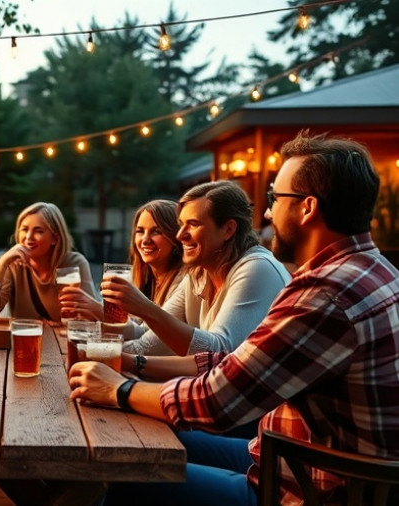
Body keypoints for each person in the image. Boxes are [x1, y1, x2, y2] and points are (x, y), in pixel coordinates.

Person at [69, 131, 399, 506]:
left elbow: (216, 401)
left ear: (307, 208)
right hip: (285, 453)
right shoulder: (374, 270)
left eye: (275, 198)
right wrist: (129, 363)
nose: (268, 212)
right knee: (151, 432)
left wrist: (119, 389)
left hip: (309, 486)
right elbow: (236, 362)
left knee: (129, 470)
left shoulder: (324, 294)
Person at [102, 181, 291, 356]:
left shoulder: (257, 268)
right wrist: (90, 343)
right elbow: (147, 337)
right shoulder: (198, 273)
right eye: (180, 225)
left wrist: (144, 308)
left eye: (193, 224)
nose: (180, 235)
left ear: (228, 230)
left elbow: (218, 352)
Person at [60, 200, 186, 321]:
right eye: (140, 231)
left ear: (176, 236)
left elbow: (151, 337)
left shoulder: (183, 282)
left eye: (156, 231)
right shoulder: (135, 278)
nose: (145, 240)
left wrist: (98, 310)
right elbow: (132, 326)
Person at [0, 202, 95, 320]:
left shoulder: (73, 263)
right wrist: (1, 266)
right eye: (24, 230)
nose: (28, 238)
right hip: (25, 338)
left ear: (54, 238)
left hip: (63, 338)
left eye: (39, 231)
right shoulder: (11, 264)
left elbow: (91, 318)